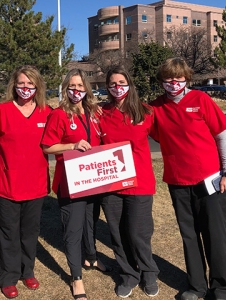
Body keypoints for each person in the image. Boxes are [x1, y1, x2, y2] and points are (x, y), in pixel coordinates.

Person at [150, 57, 226, 300]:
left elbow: (222, 137)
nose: (173, 82)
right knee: (189, 236)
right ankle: (197, 286)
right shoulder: (155, 107)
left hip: (211, 180)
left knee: (214, 235)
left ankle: (220, 288)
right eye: (168, 78)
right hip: (178, 181)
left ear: (186, 78)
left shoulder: (201, 100)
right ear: (161, 80)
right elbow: (151, 133)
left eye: (179, 78)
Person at [0, 65, 52, 299]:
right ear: (14, 85)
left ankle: (26, 271)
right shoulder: (2, 111)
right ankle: (8, 277)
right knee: (9, 233)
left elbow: (64, 136)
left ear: (37, 86)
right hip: (7, 185)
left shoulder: (46, 112)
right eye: (21, 83)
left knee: (30, 233)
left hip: (36, 184)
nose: (25, 88)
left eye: (30, 84)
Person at [41, 69, 111, 300]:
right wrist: (71, 147)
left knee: (91, 222)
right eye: (72, 86)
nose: (76, 91)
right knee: (73, 229)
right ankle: (76, 278)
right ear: (65, 88)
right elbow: (47, 147)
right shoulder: (59, 114)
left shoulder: (93, 111)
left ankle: (91, 256)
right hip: (71, 182)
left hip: (94, 179)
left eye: (81, 86)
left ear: (86, 89)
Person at [98, 66, 160, 298]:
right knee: (117, 232)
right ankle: (128, 274)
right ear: (107, 87)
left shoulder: (145, 112)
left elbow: (168, 138)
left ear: (130, 84)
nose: (117, 87)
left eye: (121, 82)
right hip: (111, 184)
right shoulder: (100, 113)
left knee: (138, 232)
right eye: (112, 84)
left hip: (140, 183)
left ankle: (149, 271)